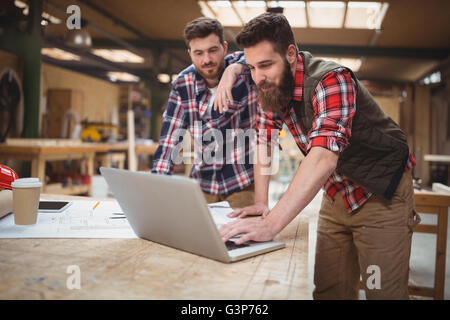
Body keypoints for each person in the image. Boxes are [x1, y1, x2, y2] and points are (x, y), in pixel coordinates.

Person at [218, 13, 421, 300]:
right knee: (329, 292)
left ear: (290, 54)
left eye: (264, 65)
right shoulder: (271, 85)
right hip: (336, 195)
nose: (258, 77)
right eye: (251, 67)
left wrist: (271, 224)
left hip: (379, 197)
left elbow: (324, 156)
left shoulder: (331, 79)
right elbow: (264, 140)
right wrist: (261, 203)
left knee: (381, 293)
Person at [152, 17, 258, 207]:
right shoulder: (182, 85)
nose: (207, 59)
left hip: (242, 183)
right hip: (203, 184)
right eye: (198, 53)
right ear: (190, 54)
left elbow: (262, 53)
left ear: (224, 47)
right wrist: (156, 191)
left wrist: (234, 69)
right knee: (194, 234)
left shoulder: (245, 71)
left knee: (240, 235)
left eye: (213, 50)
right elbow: (169, 141)